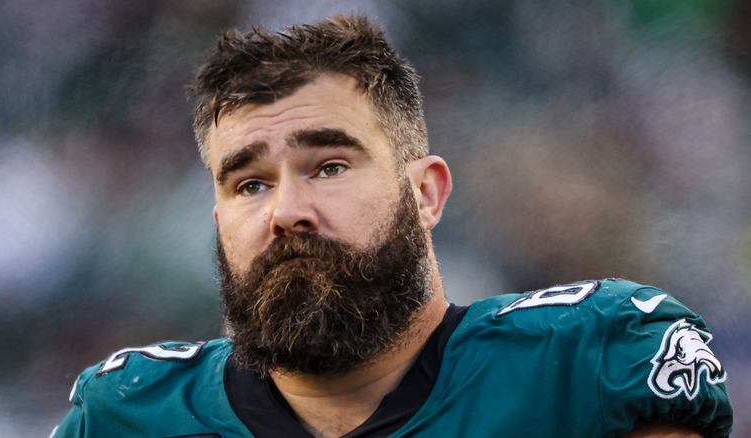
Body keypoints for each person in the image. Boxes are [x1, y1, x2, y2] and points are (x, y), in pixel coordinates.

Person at [52, 15, 733, 438]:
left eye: (329, 166)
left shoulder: (586, 364)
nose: (286, 210)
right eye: (249, 183)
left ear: (426, 194)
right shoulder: (127, 412)